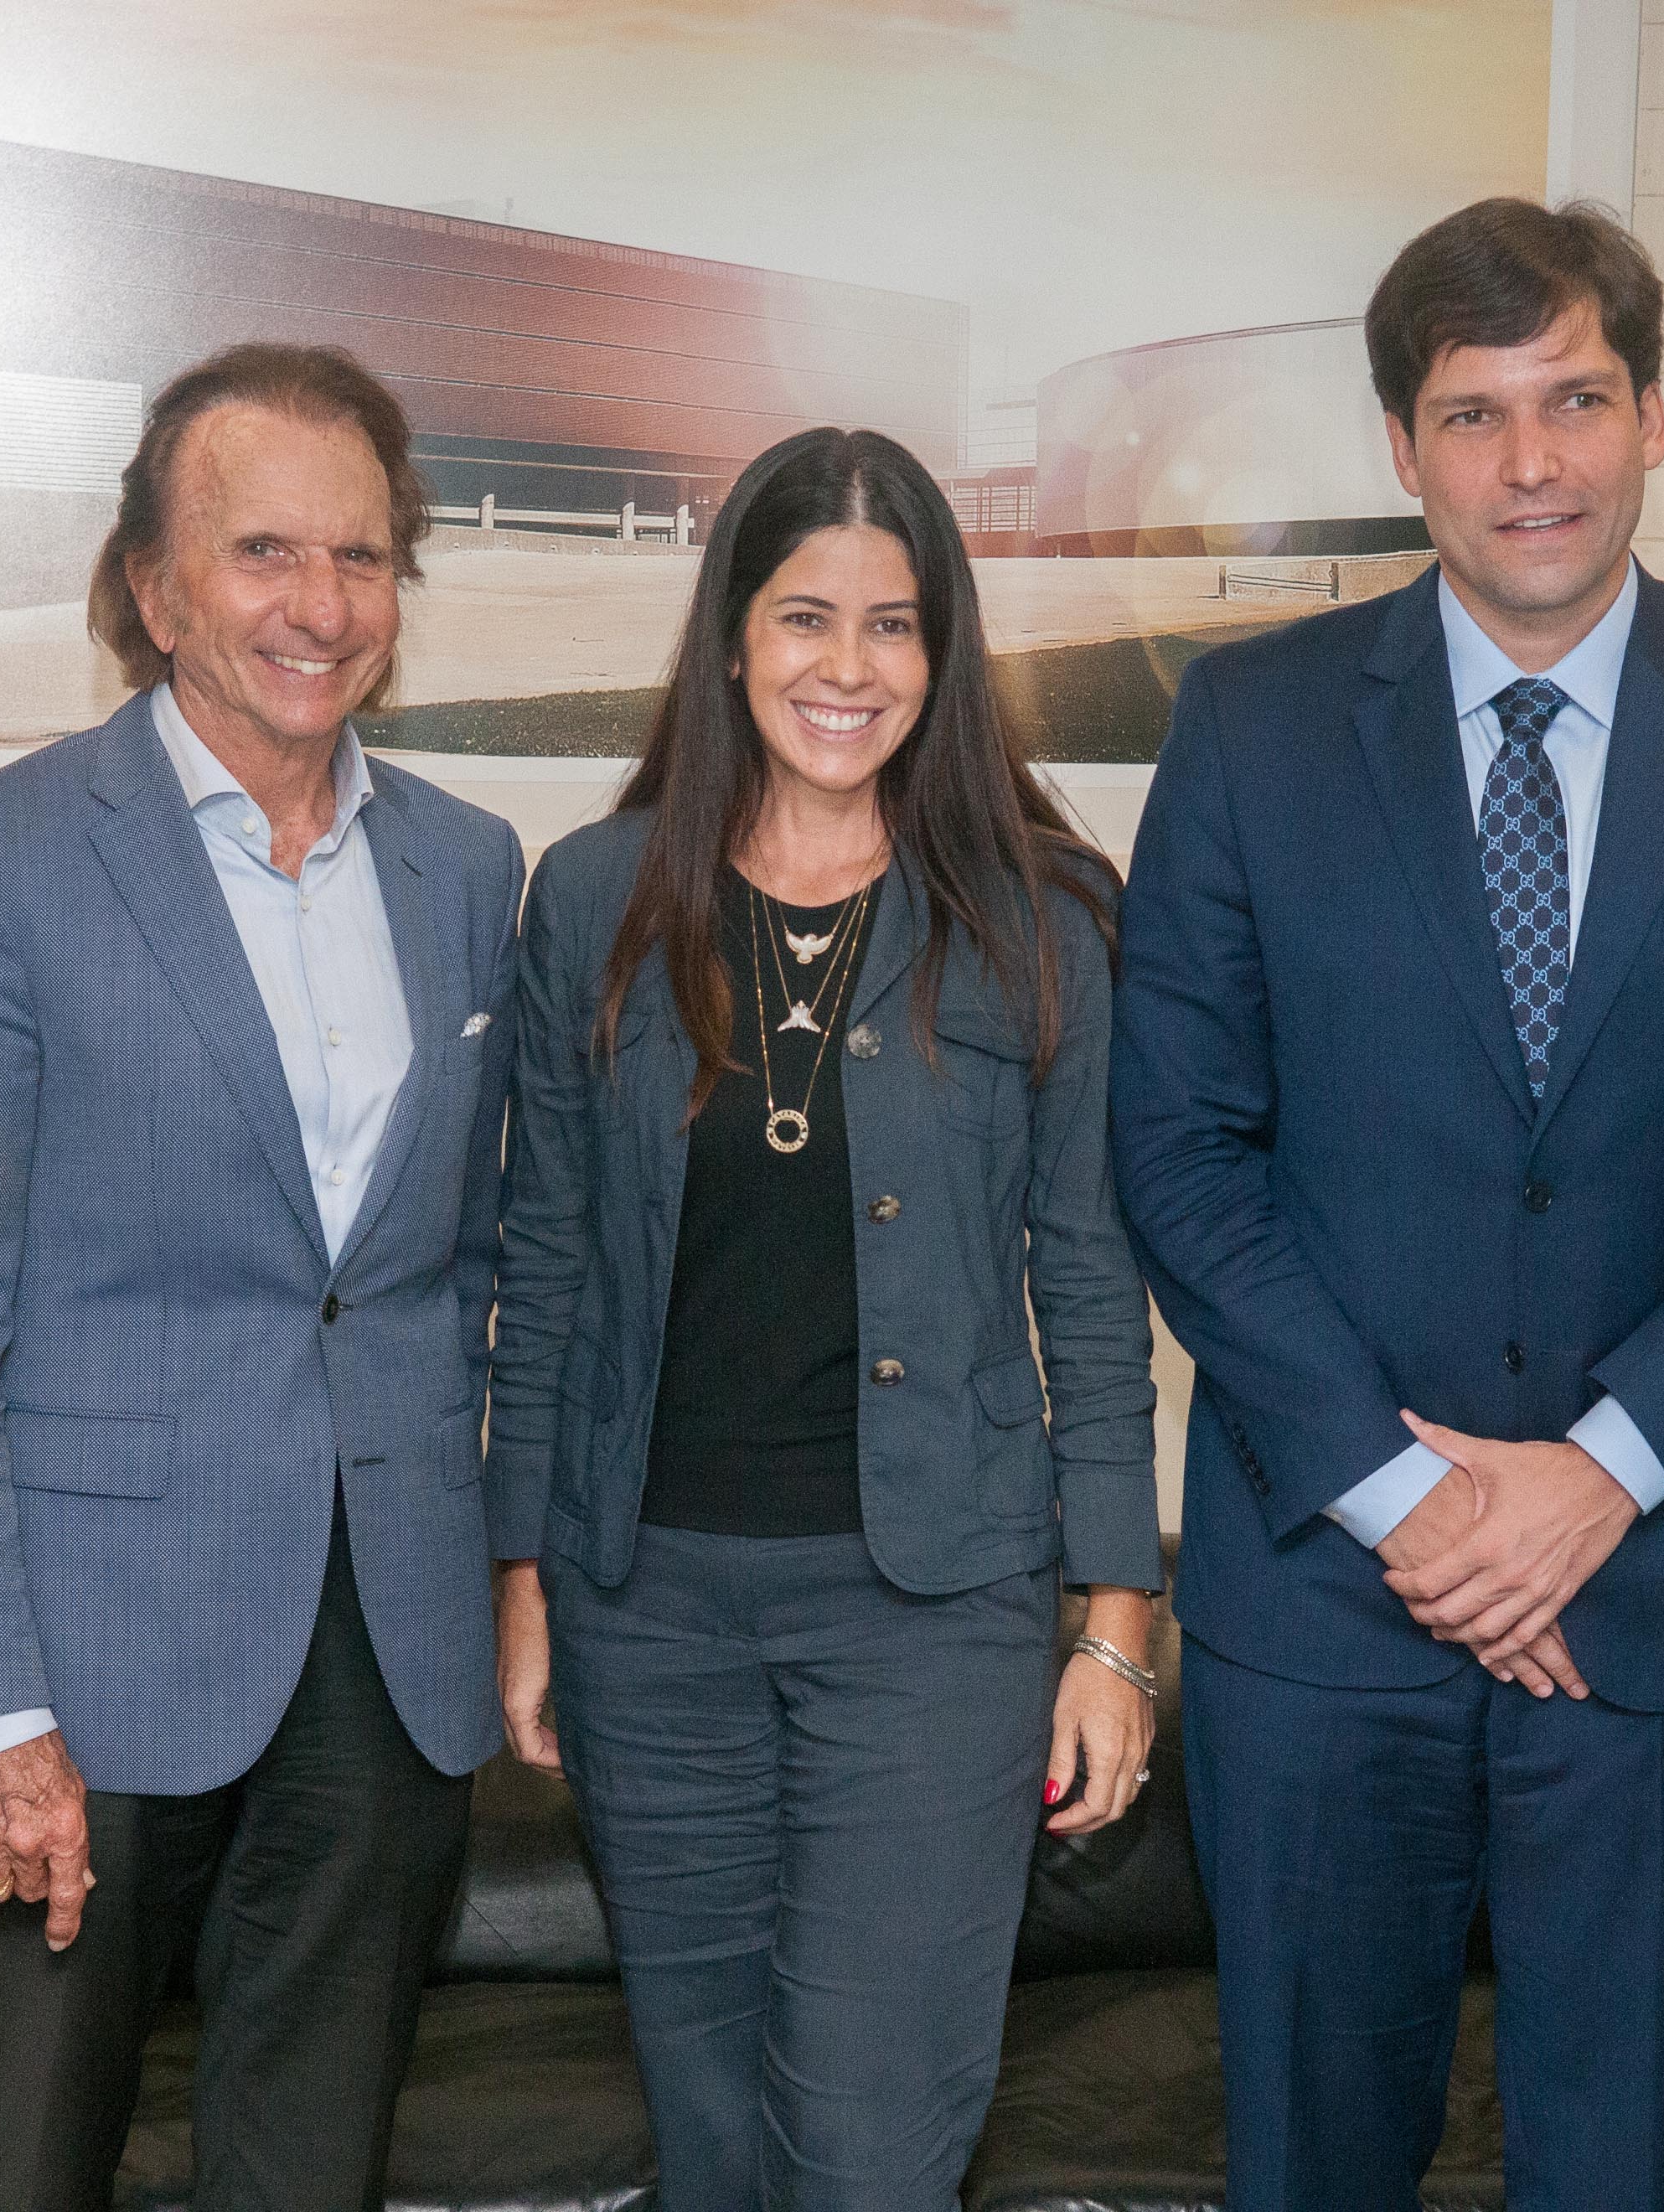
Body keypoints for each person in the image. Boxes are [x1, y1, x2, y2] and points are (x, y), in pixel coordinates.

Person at [1109, 195, 1664, 2210]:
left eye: (1573, 399)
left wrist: (1598, 1475)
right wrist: (1413, 1500)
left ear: (1652, 417)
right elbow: (1180, 1151)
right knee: (1310, 2165)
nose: (1530, 460)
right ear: (1402, 448)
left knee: (1623, 2172)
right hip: (1327, 1601)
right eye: (1472, 414)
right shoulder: (1250, 725)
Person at [0, 343, 523, 2212]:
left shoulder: (470, 870)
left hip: (384, 1652)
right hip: (81, 1660)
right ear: (153, 590)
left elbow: (467, 1267)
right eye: (263, 553)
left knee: (312, 2170)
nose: (323, 605)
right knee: (22, 2171)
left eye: (363, 556)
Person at [486, 426, 1160, 2211]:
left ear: (942, 654)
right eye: (804, 616)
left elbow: (1091, 1283)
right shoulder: (595, 898)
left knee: (868, 2156)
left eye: (893, 624)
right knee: (712, 2149)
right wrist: (524, 1574)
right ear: (732, 637)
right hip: (649, 1620)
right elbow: (545, 1263)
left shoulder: (1040, 921)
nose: (846, 667)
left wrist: (1114, 1627)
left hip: (928, 1620)